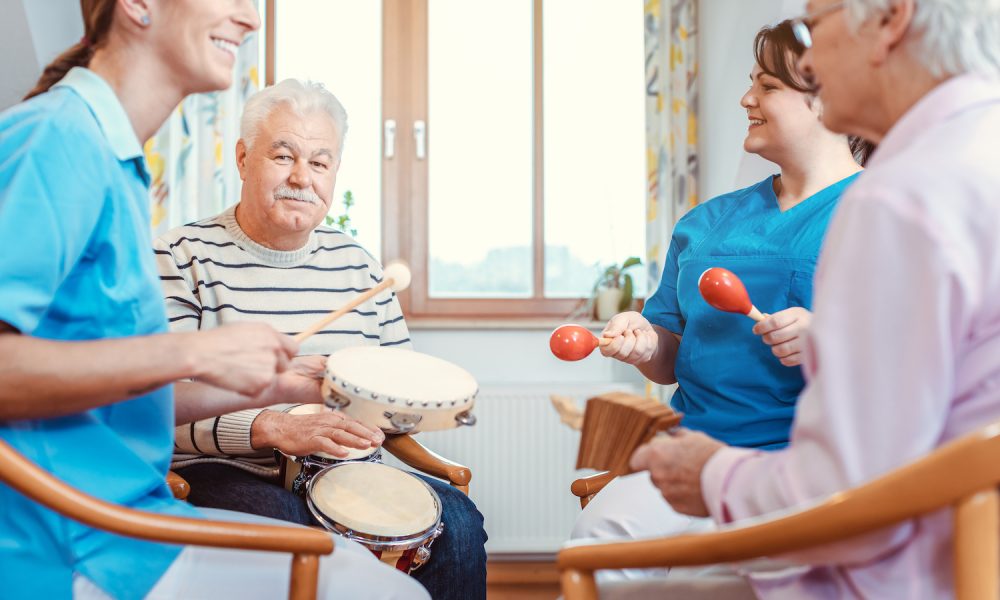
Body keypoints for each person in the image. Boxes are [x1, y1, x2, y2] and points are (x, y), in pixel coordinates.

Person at [0, 1, 426, 598]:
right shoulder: (57, 140)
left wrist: (281, 384)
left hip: (132, 529)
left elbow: (115, 394)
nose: (250, 19)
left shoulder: (113, 161)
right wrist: (191, 353)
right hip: (73, 547)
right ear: (138, 6)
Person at [623, 0, 1000, 597]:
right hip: (963, 553)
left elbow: (849, 503)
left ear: (890, 20)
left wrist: (710, 474)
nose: (815, 58)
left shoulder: (897, 197)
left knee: (608, 575)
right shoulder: (977, 156)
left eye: (814, 28)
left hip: (903, 571)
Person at [155, 78, 488, 600]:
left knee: (461, 524)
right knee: (298, 534)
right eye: (283, 156)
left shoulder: (359, 267)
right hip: (225, 471)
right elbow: (156, 406)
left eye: (319, 163)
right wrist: (271, 428)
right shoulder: (179, 256)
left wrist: (419, 406)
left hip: (348, 473)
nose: (300, 178)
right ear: (243, 159)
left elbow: (395, 392)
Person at [571, 20, 870, 572]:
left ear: (827, 98)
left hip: (801, 468)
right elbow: (670, 356)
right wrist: (645, 344)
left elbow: (909, 357)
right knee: (596, 543)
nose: (746, 98)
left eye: (768, 87)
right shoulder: (705, 223)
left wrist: (829, 341)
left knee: (717, 575)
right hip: (689, 450)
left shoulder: (879, 211)